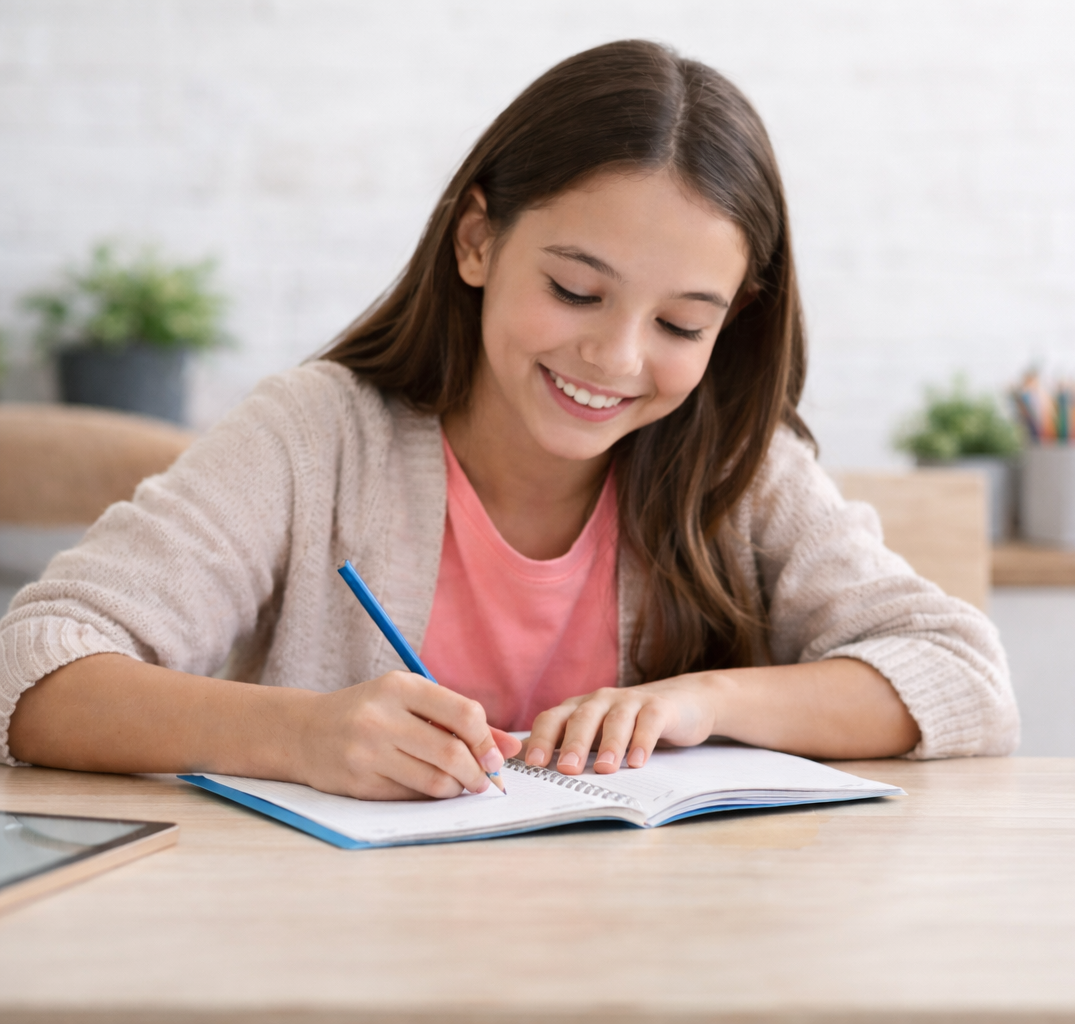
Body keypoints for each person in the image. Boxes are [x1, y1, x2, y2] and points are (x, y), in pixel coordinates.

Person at [0, 40, 1017, 800]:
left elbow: (963, 677)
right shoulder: (319, 438)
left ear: (733, 322)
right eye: (576, 291)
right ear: (479, 240)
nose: (615, 359)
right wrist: (300, 733)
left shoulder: (737, 465)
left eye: (678, 321)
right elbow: (35, 664)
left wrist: (702, 703)